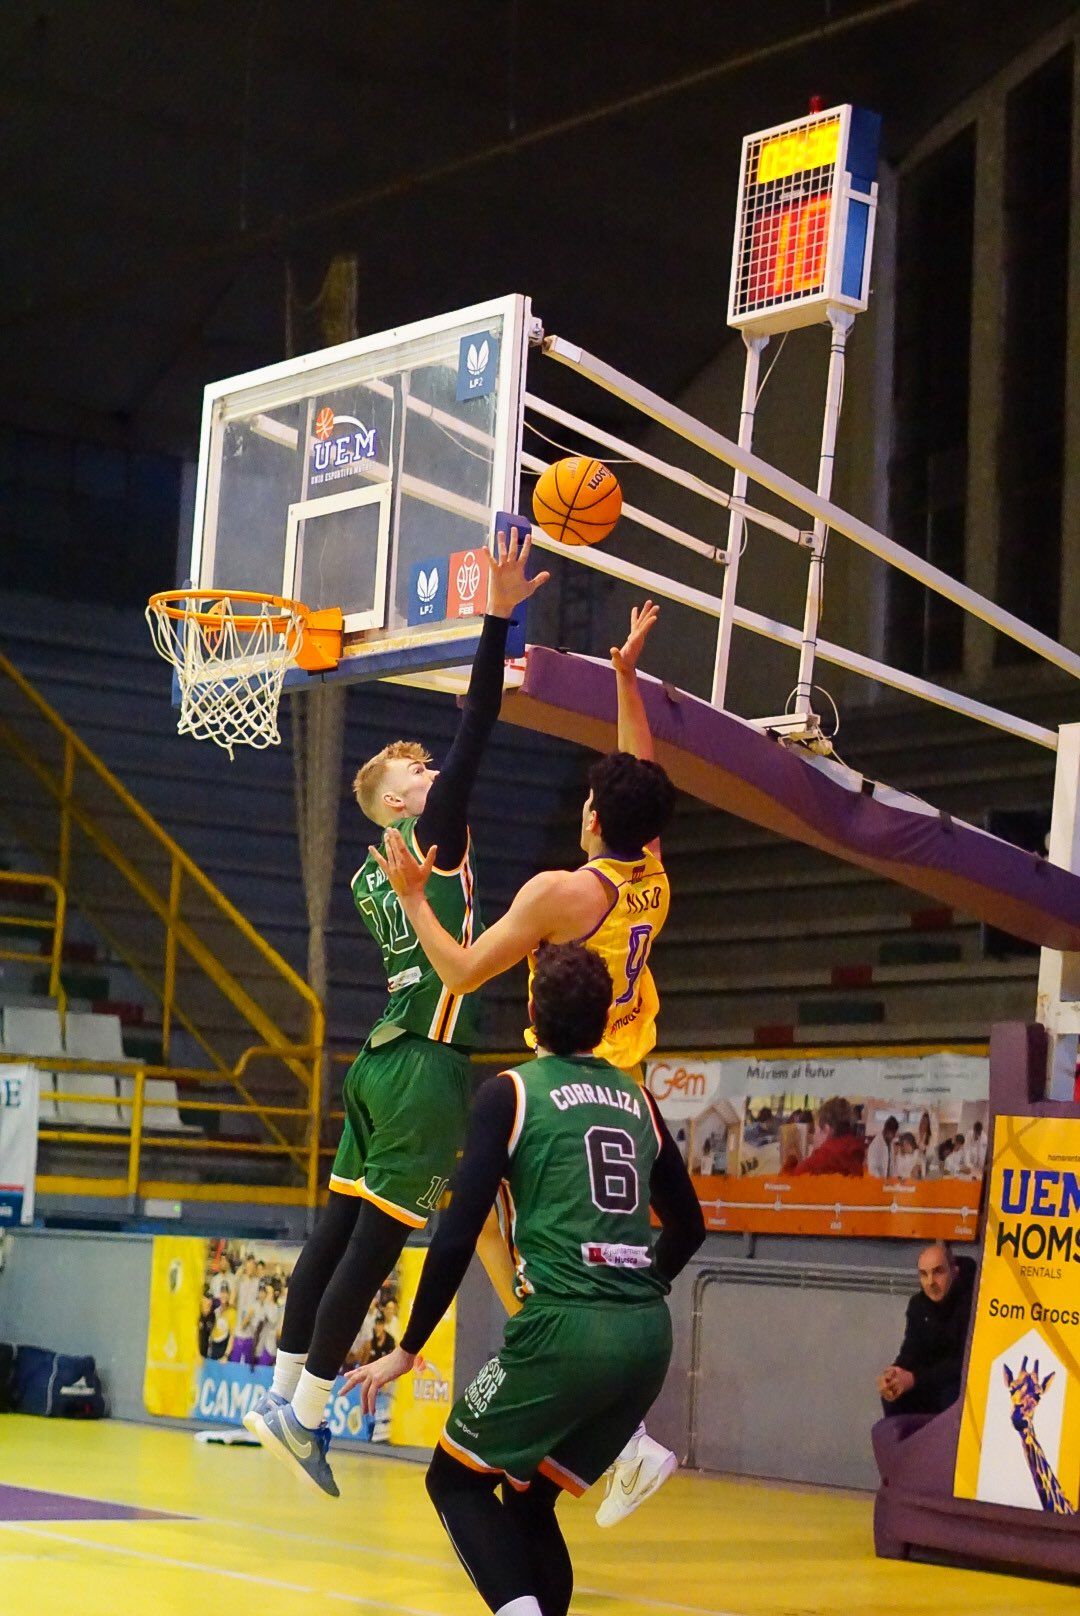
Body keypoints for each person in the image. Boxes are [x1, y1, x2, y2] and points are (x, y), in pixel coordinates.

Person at [247, 528, 547, 1496]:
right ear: (396, 803)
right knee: (370, 1249)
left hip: (375, 1056)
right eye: (415, 774)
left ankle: (282, 1388)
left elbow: (462, 743)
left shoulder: (379, 868)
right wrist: (496, 615)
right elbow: (483, 730)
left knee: (331, 1234)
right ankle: (304, 1417)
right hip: (421, 1064)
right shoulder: (429, 835)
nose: (431, 775)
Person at [371, 601, 683, 1525]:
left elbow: (464, 969)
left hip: (567, 1082)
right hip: (627, 1080)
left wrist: (416, 898)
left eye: (592, 797)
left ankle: (617, 1431)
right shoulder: (651, 873)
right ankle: (614, 1425)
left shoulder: (561, 893)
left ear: (593, 817)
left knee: (495, 1230)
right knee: (571, 1248)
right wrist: (626, 679)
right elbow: (643, 779)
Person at [345, 943, 705, 1616]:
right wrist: (631, 1287)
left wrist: (408, 1347)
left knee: (454, 1482)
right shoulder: (638, 1099)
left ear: (532, 1013)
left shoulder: (510, 1093)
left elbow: (457, 1233)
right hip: (647, 1336)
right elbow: (690, 1227)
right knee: (528, 1495)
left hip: (563, 1330)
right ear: (603, 1023)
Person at [877, 1241, 976, 1417]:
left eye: (938, 1272)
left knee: (951, 1396)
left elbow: (964, 1363)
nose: (931, 1282)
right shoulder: (918, 1305)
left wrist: (915, 1379)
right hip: (928, 1381)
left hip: (961, 1382)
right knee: (893, 1394)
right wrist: (895, 1372)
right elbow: (910, 1350)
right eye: (924, 1274)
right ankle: (904, 1445)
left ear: (955, 1271)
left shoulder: (972, 1303)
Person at [788, 1097, 865, 1176]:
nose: (814, 1135)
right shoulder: (857, 1154)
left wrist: (789, 1162)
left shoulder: (819, 1161)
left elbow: (790, 1182)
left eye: (815, 1129)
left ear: (826, 1129)